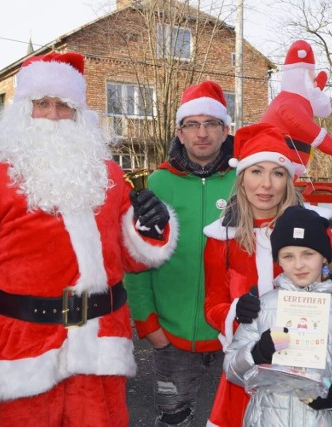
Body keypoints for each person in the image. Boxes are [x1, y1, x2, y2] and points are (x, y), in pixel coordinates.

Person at [0, 52, 176, 426]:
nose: (53, 115)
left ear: (80, 114)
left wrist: (150, 226)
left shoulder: (108, 175)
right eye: (42, 104)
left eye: (65, 106)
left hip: (100, 353)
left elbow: (131, 259)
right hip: (22, 357)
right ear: (22, 110)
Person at [203, 122, 332, 426]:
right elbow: (212, 304)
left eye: (277, 173)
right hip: (253, 366)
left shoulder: (312, 227)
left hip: (317, 370)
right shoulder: (222, 237)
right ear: (242, 177)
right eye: (257, 171)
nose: (266, 184)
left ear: (289, 179)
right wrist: (236, 313)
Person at [124, 80, 235, 426]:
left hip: (237, 331)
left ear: (225, 129)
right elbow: (135, 259)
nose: (202, 133)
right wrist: (147, 323)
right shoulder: (155, 183)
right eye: (193, 124)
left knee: (242, 417)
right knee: (174, 418)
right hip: (172, 337)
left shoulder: (246, 179)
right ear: (180, 131)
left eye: (211, 123)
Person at [223, 205, 332, 426]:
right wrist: (256, 353)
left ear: (324, 258)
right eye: (288, 256)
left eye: (308, 254)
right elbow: (232, 368)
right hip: (268, 419)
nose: (298, 264)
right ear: (278, 261)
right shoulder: (264, 305)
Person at [261, 39, 332, 174]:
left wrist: (317, 89)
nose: (313, 82)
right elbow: (301, 124)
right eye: (311, 77)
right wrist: (325, 142)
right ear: (302, 77)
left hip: (289, 166)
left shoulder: (301, 101)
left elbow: (313, 96)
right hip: (276, 162)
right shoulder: (289, 102)